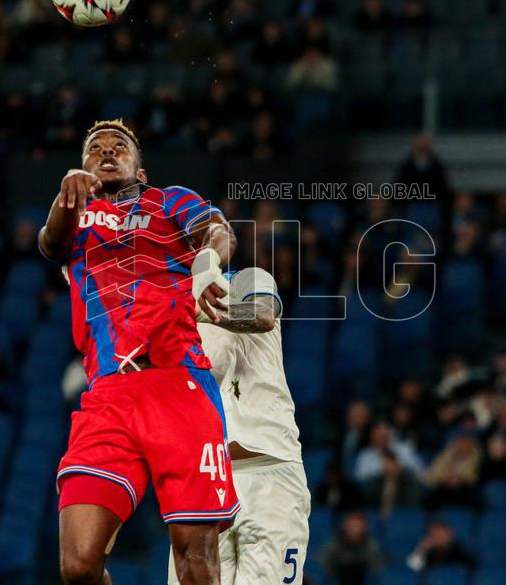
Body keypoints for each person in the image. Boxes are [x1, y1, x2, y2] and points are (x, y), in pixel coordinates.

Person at [38, 119, 238, 584]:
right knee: (79, 566)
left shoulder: (169, 199)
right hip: (107, 397)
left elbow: (218, 229)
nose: (107, 153)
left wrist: (207, 262)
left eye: (119, 147)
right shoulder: (76, 220)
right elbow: (51, 242)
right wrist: (65, 196)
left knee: (196, 560)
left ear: (141, 171)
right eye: (95, 149)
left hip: (180, 385)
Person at [166, 267, 310, 585]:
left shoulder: (244, 279)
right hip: (203, 480)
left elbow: (263, 315)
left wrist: (194, 311)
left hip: (269, 471)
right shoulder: (164, 307)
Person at [319, 511, 386, 585]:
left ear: (364, 527)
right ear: (344, 526)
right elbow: (321, 563)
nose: (354, 529)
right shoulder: (333, 544)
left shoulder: (372, 545)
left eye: (357, 526)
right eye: (351, 525)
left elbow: (379, 567)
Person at [406, 521, 477, 573]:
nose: (437, 538)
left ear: (449, 534)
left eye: (440, 534)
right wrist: (421, 549)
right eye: (434, 535)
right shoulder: (430, 555)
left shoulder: (461, 553)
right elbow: (412, 569)